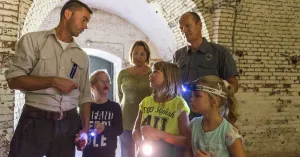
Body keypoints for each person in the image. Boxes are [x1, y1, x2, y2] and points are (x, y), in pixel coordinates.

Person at [5, 1, 93, 157]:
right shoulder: (33, 41)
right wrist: (53, 81)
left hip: (69, 124)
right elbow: (14, 80)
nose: (86, 26)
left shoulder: (82, 56)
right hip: (34, 121)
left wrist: (85, 129)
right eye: (84, 19)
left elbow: (85, 96)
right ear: (68, 14)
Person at [173, 12, 239, 120]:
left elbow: (233, 84)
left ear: (199, 25)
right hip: (184, 117)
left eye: (188, 26)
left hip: (212, 118)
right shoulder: (178, 55)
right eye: (181, 28)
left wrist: (215, 95)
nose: (184, 30)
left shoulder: (220, 52)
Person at [132, 61, 190, 157]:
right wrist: (139, 142)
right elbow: (136, 130)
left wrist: (160, 134)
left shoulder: (179, 104)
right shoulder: (146, 102)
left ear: (168, 77)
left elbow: (186, 140)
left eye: (155, 72)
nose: (150, 75)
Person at [184, 76, 246, 157]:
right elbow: (188, 152)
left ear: (214, 101)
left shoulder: (229, 134)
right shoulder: (193, 125)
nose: (191, 99)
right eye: (192, 95)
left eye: (197, 96)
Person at [117, 41, 152, 157]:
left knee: (145, 152)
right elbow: (121, 96)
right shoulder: (123, 74)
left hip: (147, 121)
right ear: (131, 54)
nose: (138, 57)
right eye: (135, 53)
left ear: (147, 55)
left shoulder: (152, 74)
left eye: (142, 54)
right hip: (126, 120)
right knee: (126, 153)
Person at [82, 70, 123, 157]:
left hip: (107, 153)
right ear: (92, 85)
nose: (106, 83)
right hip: (88, 153)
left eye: (107, 81)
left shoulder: (115, 107)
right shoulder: (87, 107)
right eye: (102, 81)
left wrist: (105, 128)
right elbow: (80, 128)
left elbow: (119, 130)